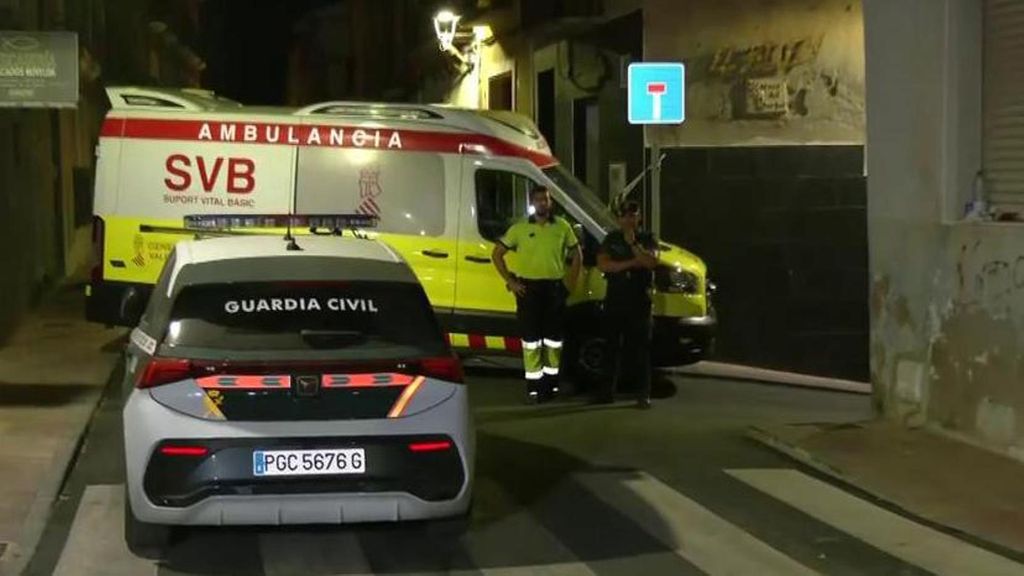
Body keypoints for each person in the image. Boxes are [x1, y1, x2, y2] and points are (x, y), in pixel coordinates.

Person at [492, 186, 582, 404]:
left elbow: (577, 254)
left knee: (553, 341)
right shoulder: (520, 228)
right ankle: (533, 388)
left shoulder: (562, 226)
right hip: (528, 290)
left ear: (550, 202)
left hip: (554, 289)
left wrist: (569, 285)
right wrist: (511, 282)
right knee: (531, 341)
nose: (543, 202)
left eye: (546, 199)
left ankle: (551, 385)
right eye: (538, 199)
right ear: (532, 203)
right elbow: (497, 254)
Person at [594, 199, 659, 409]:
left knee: (640, 350)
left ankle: (642, 394)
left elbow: (651, 262)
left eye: (633, 215)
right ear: (619, 219)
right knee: (610, 348)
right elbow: (603, 265)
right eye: (625, 216)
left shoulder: (648, 238)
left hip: (639, 301)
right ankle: (605, 393)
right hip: (615, 298)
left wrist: (633, 245)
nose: (629, 220)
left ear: (639, 218)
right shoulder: (611, 239)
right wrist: (632, 263)